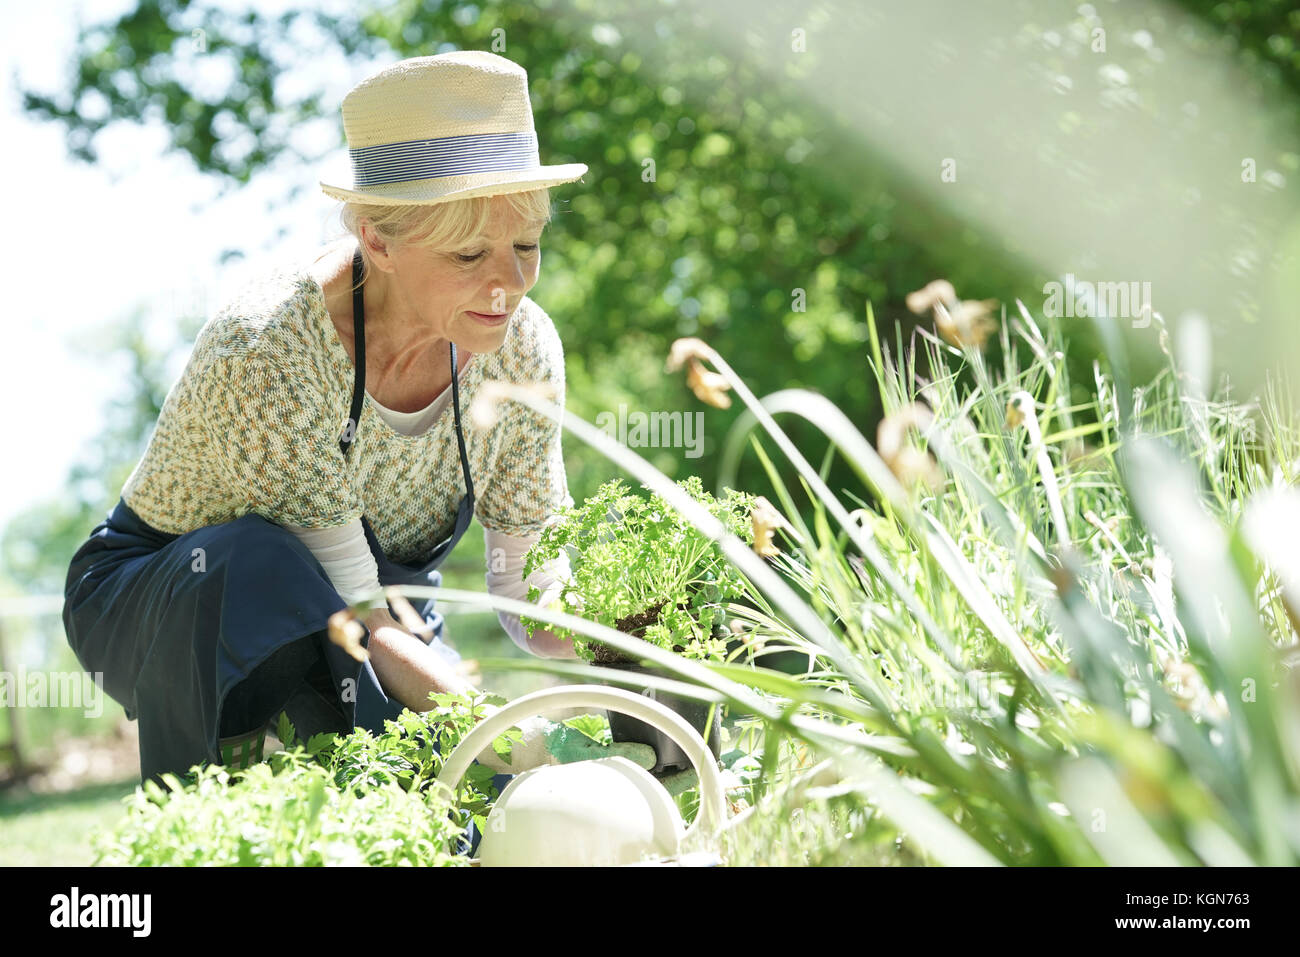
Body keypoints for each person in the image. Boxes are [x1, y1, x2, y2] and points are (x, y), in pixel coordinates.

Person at [61, 51, 644, 788]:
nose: (508, 284)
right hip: (161, 601)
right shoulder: (271, 342)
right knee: (262, 561)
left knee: (465, 802)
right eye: (469, 253)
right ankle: (218, 797)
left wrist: (626, 634)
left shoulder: (523, 350)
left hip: (373, 613)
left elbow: (526, 586)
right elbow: (354, 607)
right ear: (377, 239)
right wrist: (506, 734)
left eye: (525, 246)